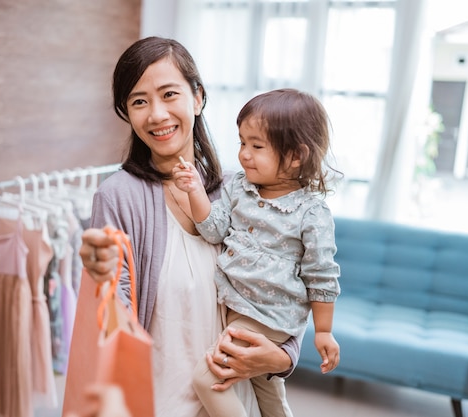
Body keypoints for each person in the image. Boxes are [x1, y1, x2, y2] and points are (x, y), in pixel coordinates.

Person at [64, 37, 301, 417]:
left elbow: (284, 281)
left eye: (168, 94)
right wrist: (100, 282)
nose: (156, 114)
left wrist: (283, 355)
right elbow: (110, 318)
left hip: (234, 404)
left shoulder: (238, 192)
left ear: (198, 98)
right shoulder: (117, 197)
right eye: (139, 101)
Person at [172, 88, 341, 417]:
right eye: (242, 143)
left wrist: (324, 331)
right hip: (238, 308)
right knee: (267, 389)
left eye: (256, 146)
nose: (244, 154)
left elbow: (321, 276)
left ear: (295, 156)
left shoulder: (311, 213)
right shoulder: (238, 186)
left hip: (269, 315)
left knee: (207, 379)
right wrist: (194, 190)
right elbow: (214, 229)